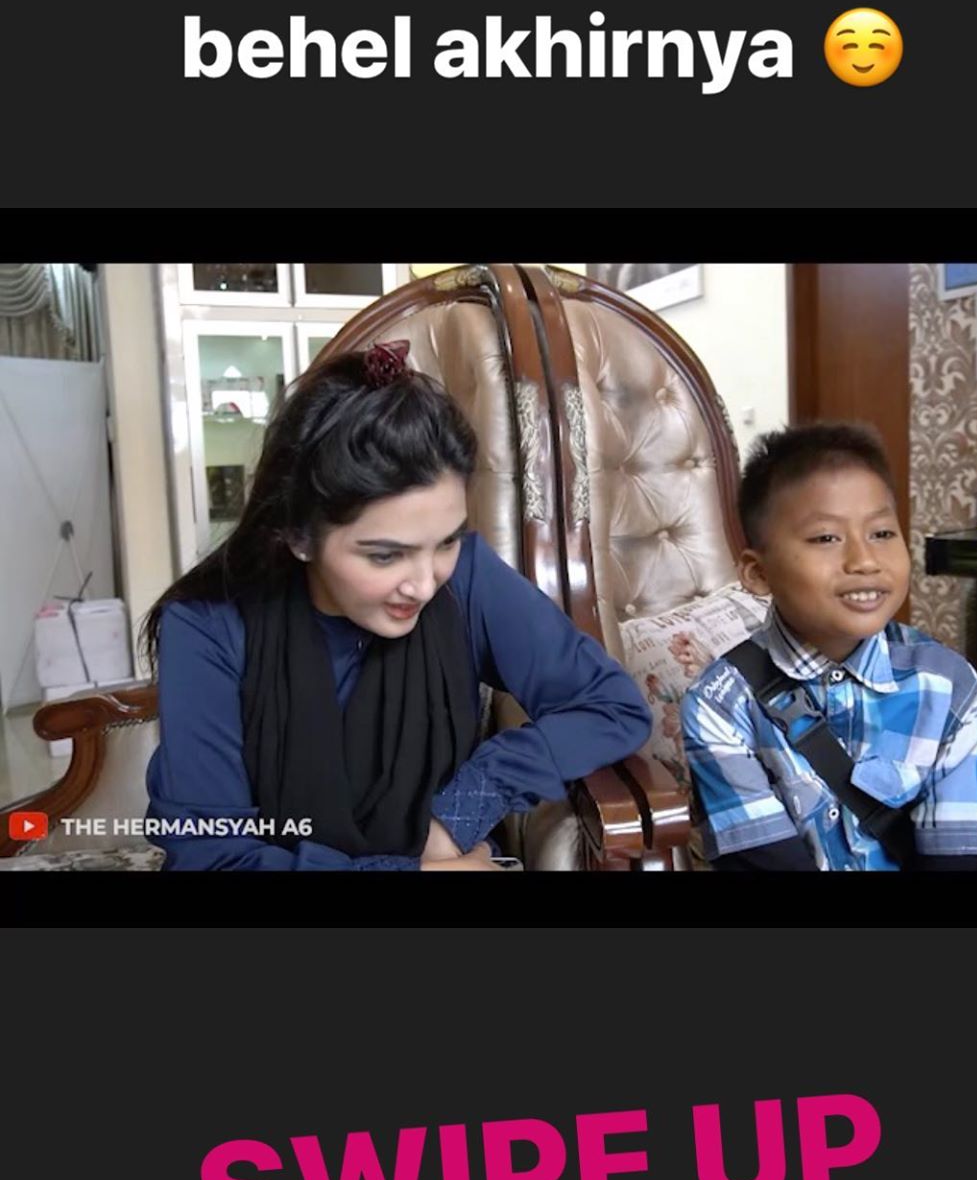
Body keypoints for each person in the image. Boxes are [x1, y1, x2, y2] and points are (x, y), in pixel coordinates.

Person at [143, 342, 652, 871]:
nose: (425, 586)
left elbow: (611, 706)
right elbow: (209, 855)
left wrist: (465, 806)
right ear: (298, 535)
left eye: (446, 541)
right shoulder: (206, 627)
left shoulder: (468, 579)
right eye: (385, 555)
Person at [679, 421, 977, 872]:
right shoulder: (720, 704)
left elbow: (959, 858)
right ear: (758, 573)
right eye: (826, 538)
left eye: (881, 533)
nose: (864, 561)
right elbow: (767, 862)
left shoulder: (948, 684)